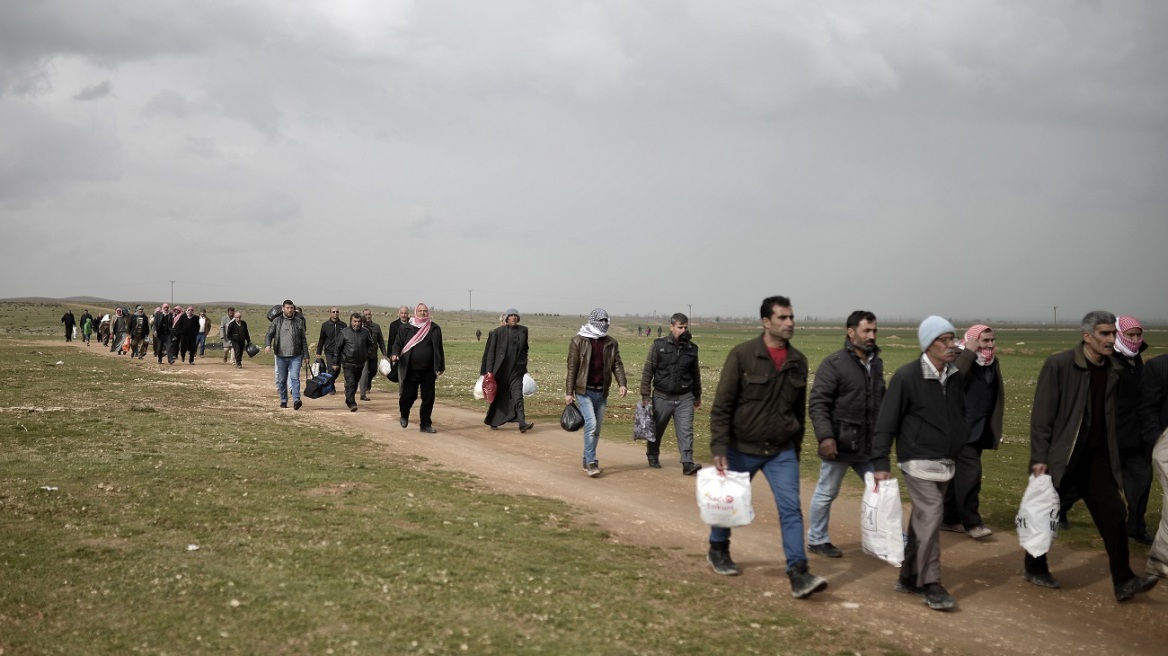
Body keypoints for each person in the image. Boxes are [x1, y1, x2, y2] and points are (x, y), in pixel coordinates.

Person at [1024, 310, 1158, 602]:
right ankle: (1035, 568)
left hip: (1096, 459)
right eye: (1105, 334)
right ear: (1087, 336)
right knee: (1044, 513)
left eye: (1113, 333)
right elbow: (1042, 416)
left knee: (1114, 512)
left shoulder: (1113, 369)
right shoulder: (1059, 365)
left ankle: (1124, 580)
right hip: (1061, 456)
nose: (1112, 339)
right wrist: (1039, 457)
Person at [706, 296, 826, 599]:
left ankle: (798, 573)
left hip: (781, 451)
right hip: (741, 447)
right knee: (728, 503)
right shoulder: (742, 356)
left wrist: (795, 450)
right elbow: (723, 405)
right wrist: (719, 445)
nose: (790, 323)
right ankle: (718, 549)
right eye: (783, 318)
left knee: (790, 509)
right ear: (766, 322)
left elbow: (798, 412)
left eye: (791, 317)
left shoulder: (798, 360)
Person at [872, 315, 965, 611]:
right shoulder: (907, 376)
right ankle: (931, 583)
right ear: (928, 343)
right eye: (944, 340)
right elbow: (887, 421)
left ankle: (909, 576)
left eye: (953, 339)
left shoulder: (954, 376)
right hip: (917, 460)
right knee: (933, 514)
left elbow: (958, 414)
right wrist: (880, 460)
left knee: (922, 521)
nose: (951, 345)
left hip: (946, 461)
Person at [805, 310, 883, 559]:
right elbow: (818, 403)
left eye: (874, 331)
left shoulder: (876, 363)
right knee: (827, 492)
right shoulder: (834, 363)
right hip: (839, 442)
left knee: (880, 491)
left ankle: (890, 537)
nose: (871, 336)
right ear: (851, 333)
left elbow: (881, 399)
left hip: (868, 443)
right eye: (866, 331)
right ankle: (817, 539)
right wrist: (826, 437)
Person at [940, 324, 1004, 540]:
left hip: (980, 429)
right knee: (971, 475)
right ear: (972, 339)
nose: (989, 345)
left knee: (957, 476)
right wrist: (968, 351)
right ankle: (972, 523)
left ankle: (948, 518)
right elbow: (952, 382)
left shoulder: (991, 363)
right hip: (960, 429)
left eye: (992, 340)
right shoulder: (958, 356)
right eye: (984, 341)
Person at [564, 308, 627, 477]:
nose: (605, 324)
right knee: (591, 424)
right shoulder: (578, 341)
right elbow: (572, 368)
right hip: (584, 391)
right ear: (593, 321)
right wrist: (569, 392)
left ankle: (586, 457)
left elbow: (617, 365)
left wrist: (622, 383)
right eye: (602, 320)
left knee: (596, 429)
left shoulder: (611, 343)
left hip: (602, 392)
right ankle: (591, 461)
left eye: (607, 320)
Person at [639, 312, 702, 474]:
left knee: (686, 430)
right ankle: (652, 454)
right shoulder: (658, 346)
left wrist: (697, 396)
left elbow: (695, 374)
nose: (683, 330)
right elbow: (648, 371)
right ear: (672, 327)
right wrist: (646, 396)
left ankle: (688, 463)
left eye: (685, 327)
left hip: (685, 397)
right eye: (680, 327)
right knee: (657, 429)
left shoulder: (692, 349)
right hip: (662, 396)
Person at [1114, 315, 1153, 545]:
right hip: (1111, 435)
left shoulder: (1138, 360)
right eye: (1131, 335)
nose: (1136, 339)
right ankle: (1061, 509)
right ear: (1120, 334)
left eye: (1139, 335)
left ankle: (1136, 527)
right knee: (1090, 481)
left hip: (1137, 436)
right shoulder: (1109, 360)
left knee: (1141, 481)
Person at [392, 303, 445, 432]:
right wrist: (394, 354)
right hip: (411, 370)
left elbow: (439, 348)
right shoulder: (406, 328)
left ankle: (425, 424)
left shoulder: (434, 328)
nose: (423, 313)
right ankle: (404, 415)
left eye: (425, 311)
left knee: (428, 398)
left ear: (429, 313)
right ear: (415, 312)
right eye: (420, 311)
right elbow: (397, 343)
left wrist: (441, 365)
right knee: (408, 397)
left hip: (428, 370)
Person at [1139, 353, 1168, 578]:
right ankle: (1160, 558)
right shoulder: (1158, 366)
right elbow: (1147, 407)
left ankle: (1159, 557)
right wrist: (1157, 440)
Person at [482, 308, 533, 432]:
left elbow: (525, 348)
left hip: (516, 370)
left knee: (518, 395)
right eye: (511, 315)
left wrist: (523, 363)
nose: (514, 317)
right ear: (507, 318)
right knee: (499, 395)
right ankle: (494, 421)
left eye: (516, 315)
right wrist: (489, 371)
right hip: (501, 370)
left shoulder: (523, 331)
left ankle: (522, 422)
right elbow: (491, 353)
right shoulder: (498, 332)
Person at [265, 299, 310, 410]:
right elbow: (269, 335)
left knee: (295, 377)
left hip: (296, 355)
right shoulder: (276, 321)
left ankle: (296, 400)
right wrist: (267, 345)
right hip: (280, 355)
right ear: (283, 309)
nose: (290, 310)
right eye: (288, 308)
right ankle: (284, 399)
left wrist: (306, 355)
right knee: (282, 379)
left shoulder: (299, 322)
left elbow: (303, 340)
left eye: (291, 308)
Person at [330, 312, 375, 412]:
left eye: (359, 322)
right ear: (351, 321)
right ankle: (352, 403)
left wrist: (366, 354)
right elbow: (338, 348)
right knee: (350, 383)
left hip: (360, 363)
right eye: (355, 321)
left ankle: (348, 399)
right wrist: (335, 363)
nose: (357, 324)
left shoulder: (365, 332)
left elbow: (371, 344)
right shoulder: (344, 332)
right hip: (347, 363)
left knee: (354, 384)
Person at [359, 308, 386, 402]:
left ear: (371, 315)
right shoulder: (360, 327)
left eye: (369, 314)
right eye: (365, 315)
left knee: (373, 370)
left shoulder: (376, 327)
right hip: (363, 355)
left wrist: (384, 354)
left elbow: (381, 341)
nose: (367, 316)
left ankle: (368, 382)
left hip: (373, 353)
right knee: (364, 372)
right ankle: (363, 392)